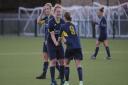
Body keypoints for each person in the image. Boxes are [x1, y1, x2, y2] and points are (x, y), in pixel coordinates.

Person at [36, 3, 60, 79]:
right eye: (45, 9)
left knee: (53, 59)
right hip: (45, 42)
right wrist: (41, 13)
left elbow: (58, 29)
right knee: (45, 57)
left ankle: (62, 72)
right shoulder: (46, 19)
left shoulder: (53, 18)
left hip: (51, 42)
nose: (46, 10)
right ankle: (44, 74)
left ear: (51, 9)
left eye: (47, 9)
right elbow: (38, 22)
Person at [60, 12, 84, 85]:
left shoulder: (63, 26)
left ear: (64, 18)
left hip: (70, 47)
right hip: (77, 46)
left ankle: (67, 82)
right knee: (78, 65)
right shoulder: (74, 25)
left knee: (66, 64)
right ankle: (81, 82)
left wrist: (64, 41)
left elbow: (61, 37)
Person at [47, 4, 65, 85]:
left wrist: (65, 42)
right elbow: (52, 35)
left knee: (62, 61)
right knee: (53, 61)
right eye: (57, 12)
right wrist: (56, 43)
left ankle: (62, 80)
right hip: (51, 43)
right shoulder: (51, 22)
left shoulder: (63, 22)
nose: (59, 13)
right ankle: (53, 81)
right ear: (54, 12)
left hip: (59, 43)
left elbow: (64, 34)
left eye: (60, 12)